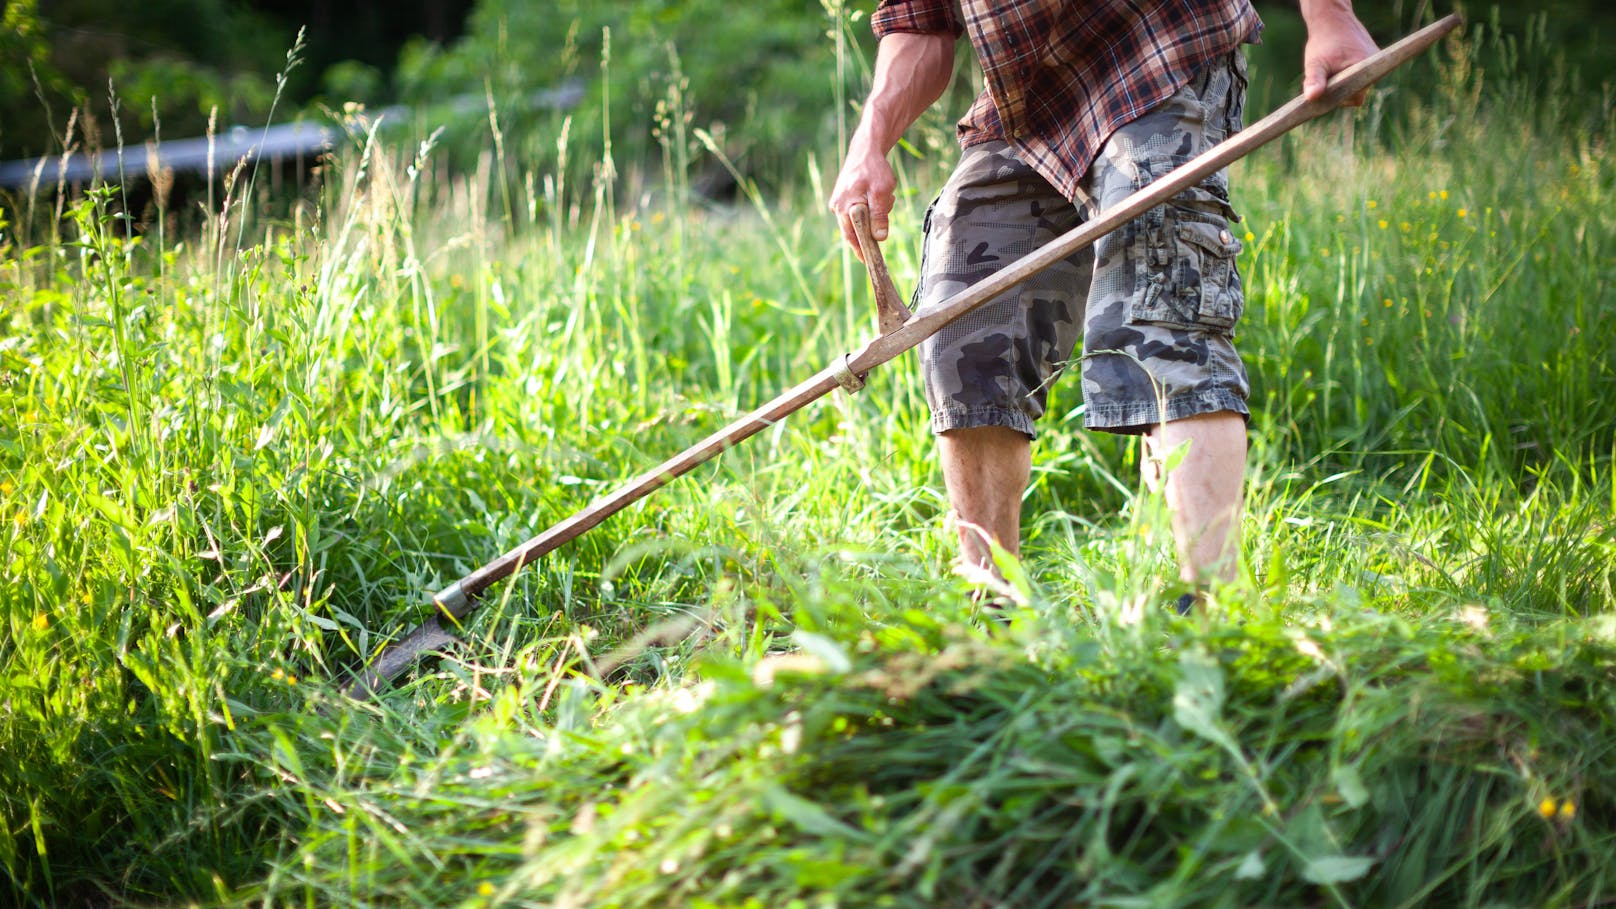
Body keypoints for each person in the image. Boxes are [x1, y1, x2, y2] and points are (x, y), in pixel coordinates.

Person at [829, 0, 1378, 608]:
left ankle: (1216, 623)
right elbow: (921, 19)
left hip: (1159, 53)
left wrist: (1329, 17)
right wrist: (869, 141)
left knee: (1159, 311)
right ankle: (993, 617)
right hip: (1027, 108)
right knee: (963, 329)